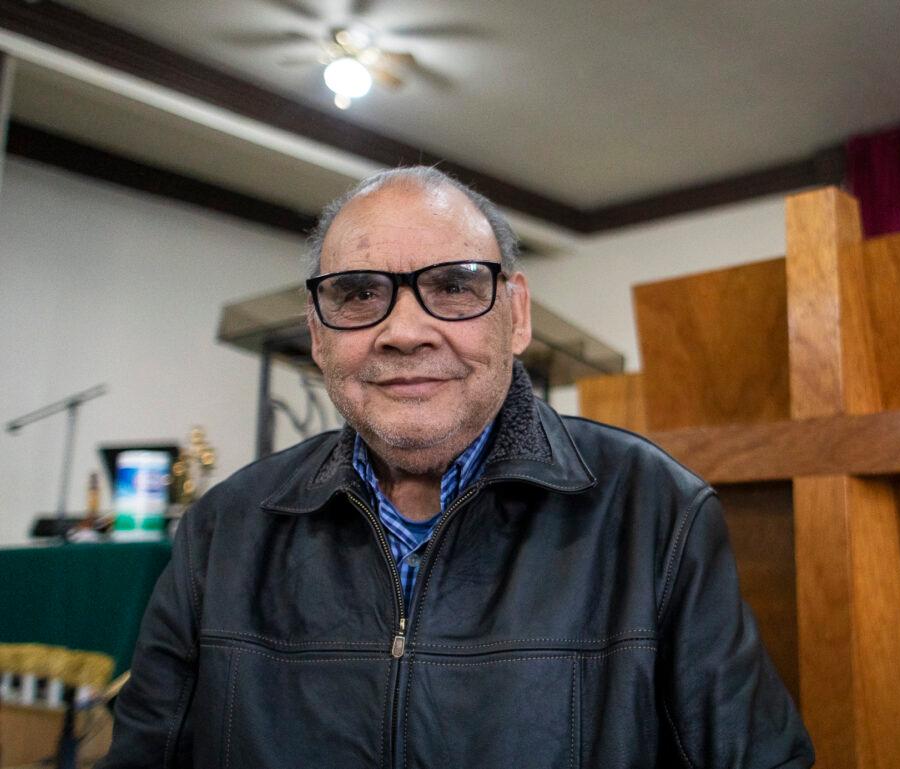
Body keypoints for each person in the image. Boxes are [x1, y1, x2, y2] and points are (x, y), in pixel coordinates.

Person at [99, 166, 814, 768]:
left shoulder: (655, 512)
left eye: (454, 284)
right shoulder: (224, 527)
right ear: (318, 337)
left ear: (518, 314)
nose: (405, 331)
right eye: (357, 293)